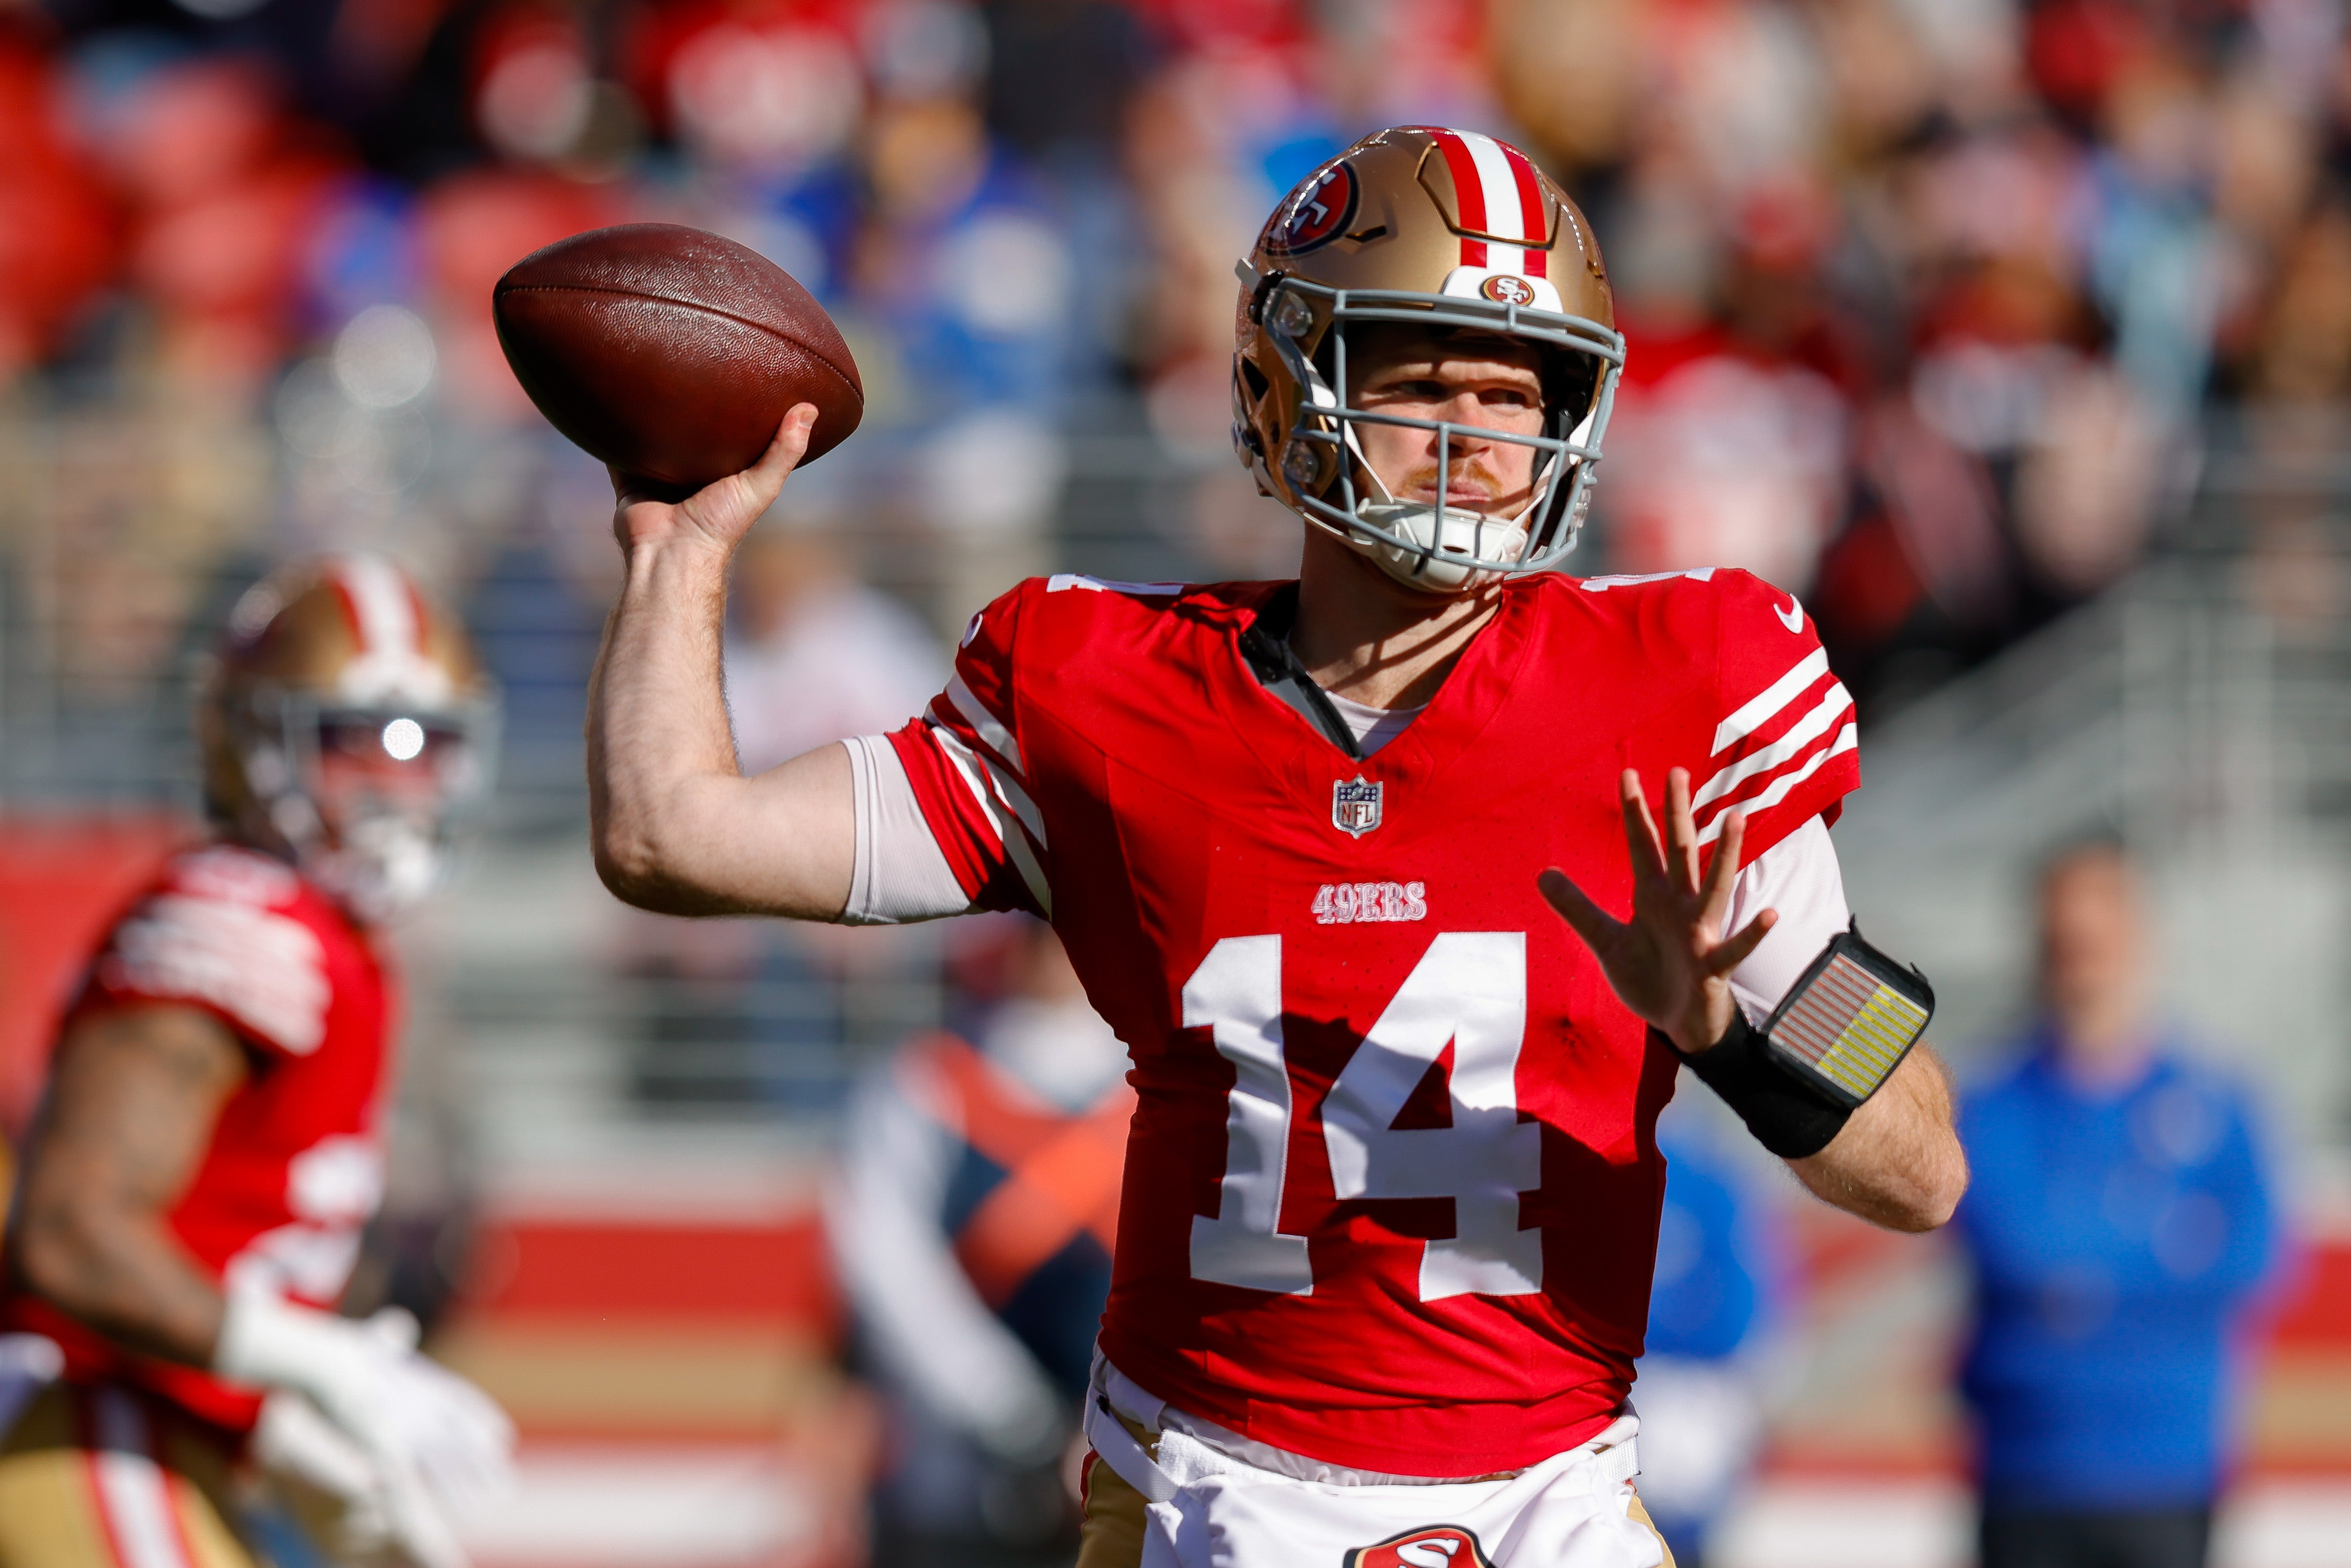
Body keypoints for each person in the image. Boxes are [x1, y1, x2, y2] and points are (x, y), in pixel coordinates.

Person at [586, 126, 1967, 1567]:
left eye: (1517, 391)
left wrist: (1730, 1025)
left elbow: (1918, 1165)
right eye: (1425, 377)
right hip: (1204, 1492)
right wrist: (677, 560)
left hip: (1543, 1497)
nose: (1475, 435)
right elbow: (673, 833)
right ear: (1287, 381)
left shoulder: (1691, 689)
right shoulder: (1101, 684)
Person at [0, 555, 515, 1568]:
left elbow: (214, 1248)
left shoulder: (332, 939)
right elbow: (68, 1234)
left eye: (424, 748)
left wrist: (286, 1423)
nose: (393, 787)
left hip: (162, 1430)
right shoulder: (240, 922)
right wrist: (323, 1365)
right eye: (349, 743)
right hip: (85, 1416)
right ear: (251, 741)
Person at [1954, 840, 2282, 1568]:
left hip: (2166, 1464)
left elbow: (2250, 1258)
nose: (2081, 961)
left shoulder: (2216, 1103)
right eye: (2064, 941)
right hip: (2027, 1465)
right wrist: (2161, 1238)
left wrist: (2082, 1270)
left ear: (2139, 939)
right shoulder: (1992, 1106)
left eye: (2097, 939)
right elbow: (2014, 1248)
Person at [829, 915, 1129, 1564]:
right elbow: (886, 1269)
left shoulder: (1154, 1086)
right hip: (962, 1485)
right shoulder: (928, 1080)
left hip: (1123, 1469)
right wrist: (1012, 1415)